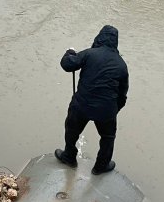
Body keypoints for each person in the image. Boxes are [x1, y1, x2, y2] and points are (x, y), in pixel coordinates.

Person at [55, 25, 129, 175]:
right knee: (108, 137)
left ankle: (69, 156)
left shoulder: (89, 54)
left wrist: (69, 53)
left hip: (82, 105)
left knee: (72, 130)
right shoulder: (122, 65)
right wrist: (113, 110)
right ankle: (101, 166)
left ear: (99, 37)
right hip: (106, 109)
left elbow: (67, 64)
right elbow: (122, 95)